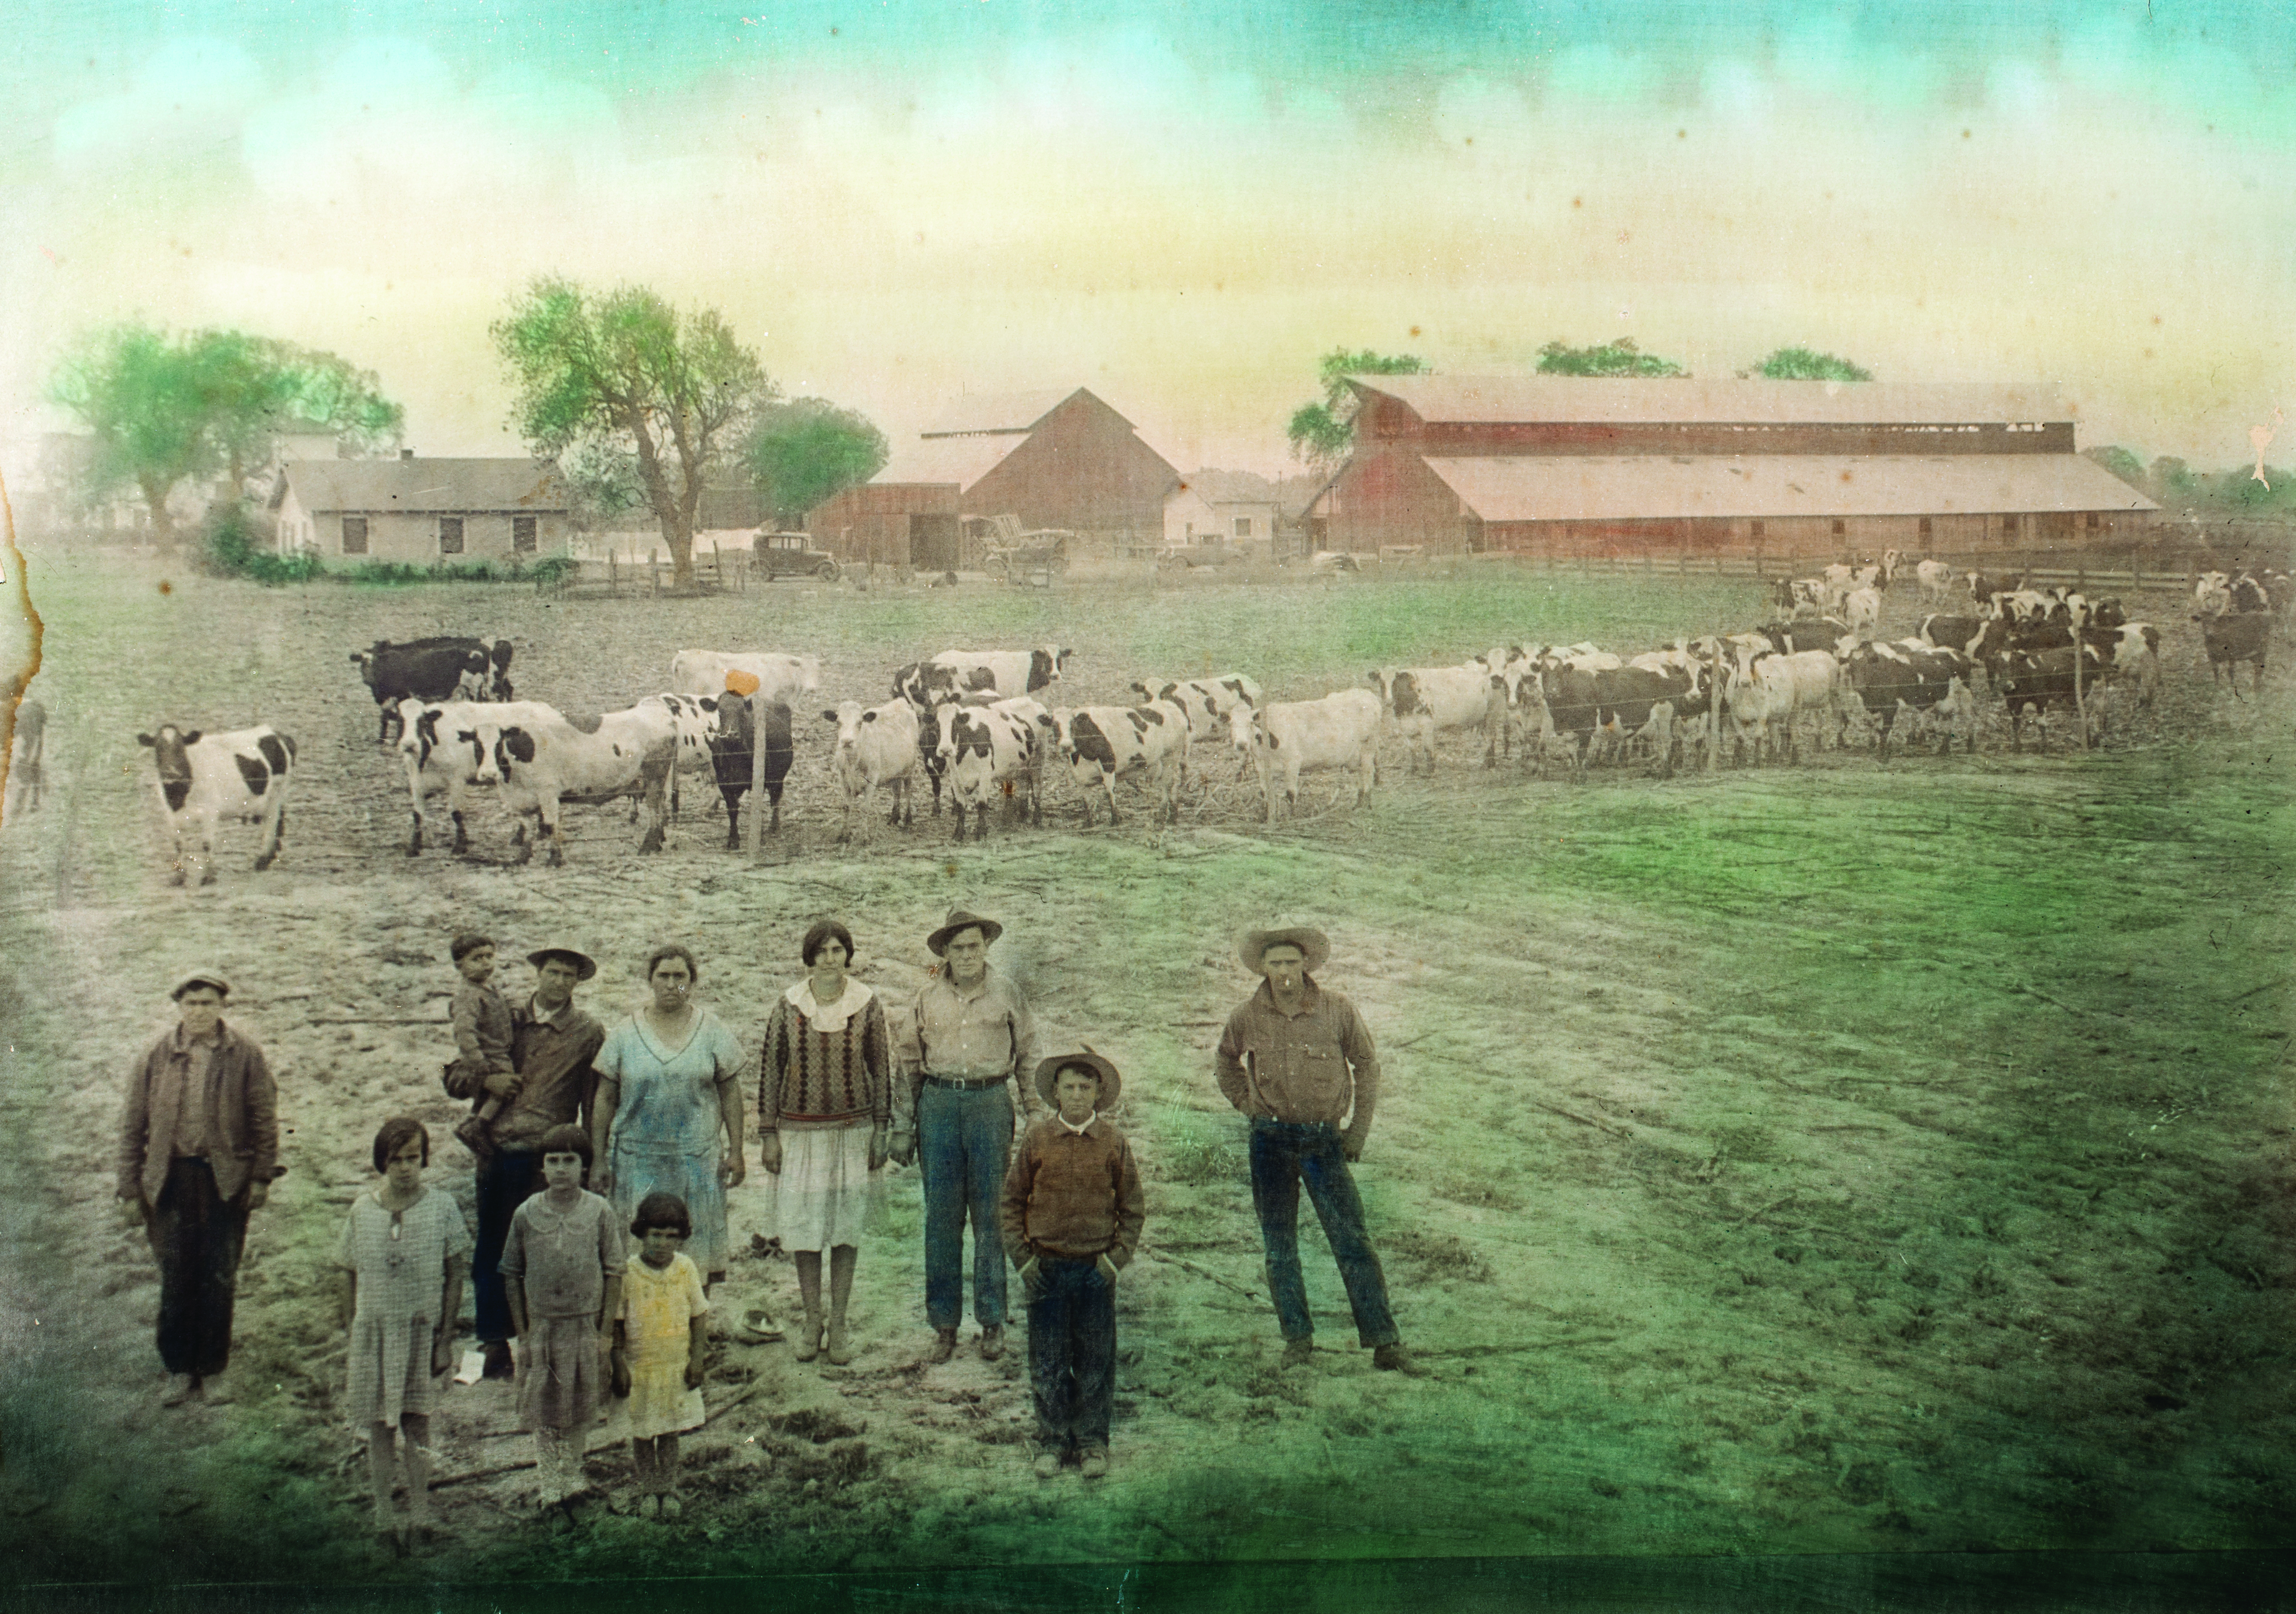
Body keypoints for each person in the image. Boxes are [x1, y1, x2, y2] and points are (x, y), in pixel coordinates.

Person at [1215, 927, 1409, 1373]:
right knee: (1279, 1244)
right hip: (1269, 1143)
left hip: (1324, 1142)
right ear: (1263, 969)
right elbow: (1225, 1061)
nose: (1284, 972)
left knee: (1352, 1239)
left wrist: (1357, 1133)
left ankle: (1385, 1340)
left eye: (1292, 962)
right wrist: (1247, 1104)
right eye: (1275, 964)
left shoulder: (1337, 1009)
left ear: (1306, 966)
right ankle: (1297, 1339)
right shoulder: (1245, 1016)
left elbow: (1367, 1065)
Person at [115, 970, 282, 1407]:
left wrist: (261, 1176)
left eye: (208, 1003)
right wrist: (130, 1190)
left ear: (223, 1006)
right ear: (179, 1008)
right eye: (191, 1004)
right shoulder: (156, 1054)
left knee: (219, 1274)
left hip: (224, 1179)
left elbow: (264, 1119)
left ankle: (212, 1368)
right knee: (177, 1274)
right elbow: (133, 1125)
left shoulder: (244, 1054)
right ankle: (177, 1367)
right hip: (170, 1180)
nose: (199, 1012)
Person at [444, 945, 606, 1380]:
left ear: (578, 983)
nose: (559, 982)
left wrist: (591, 1159)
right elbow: (456, 1076)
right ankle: (493, 1342)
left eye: (569, 976)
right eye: (553, 972)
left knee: (544, 1251)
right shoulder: (505, 1017)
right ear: (538, 974)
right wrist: (485, 1078)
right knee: (492, 1247)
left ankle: (540, 1345)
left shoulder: (588, 1032)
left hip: (546, 1158)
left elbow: (593, 1103)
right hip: (495, 1148)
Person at [889, 908, 1040, 1364]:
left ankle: (992, 1320)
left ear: (986, 947)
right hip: (938, 1105)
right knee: (942, 1219)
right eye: (959, 948)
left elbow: (1029, 1054)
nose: (968, 955)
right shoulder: (926, 997)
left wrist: (1036, 1112)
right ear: (946, 953)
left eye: (975, 945)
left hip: (990, 1104)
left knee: (992, 1214)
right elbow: (909, 1066)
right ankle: (945, 1324)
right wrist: (904, 1127)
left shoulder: (1007, 993)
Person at [999, 1049, 1143, 1480]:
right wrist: (1024, 1261)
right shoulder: (1038, 1140)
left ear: (1099, 1094)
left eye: (1086, 1088)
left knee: (1096, 1358)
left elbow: (1133, 1209)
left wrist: (1114, 1263)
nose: (1077, 1096)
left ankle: (1092, 1442)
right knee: (1048, 1357)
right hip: (1046, 1268)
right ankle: (1052, 1439)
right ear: (1055, 1094)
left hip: (1095, 1271)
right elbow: (1010, 1204)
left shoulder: (1113, 1142)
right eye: (1069, 1088)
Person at [758, 920, 892, 1366]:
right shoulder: (788, 1004)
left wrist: (881, 1128)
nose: (830, 958)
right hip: (800, 1135)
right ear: (810, 957)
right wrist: (769, 1133)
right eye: (822, 951)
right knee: (806, 1229)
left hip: (853, 1135)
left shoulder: (868, 1004)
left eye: (838, 950)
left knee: (845, 1228)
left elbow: (882, 1068)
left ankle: (840, 1321)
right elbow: (771, 1069)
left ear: (847, 955)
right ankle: (812, 1319)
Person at [337, 1118, 469, 1549]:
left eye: (413, 1158)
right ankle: (382, 1515)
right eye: (396, 1159)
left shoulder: (441, 1206)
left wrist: (445, 1337)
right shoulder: (363, 1209)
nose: (406, 1168)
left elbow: (455, 1274)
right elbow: (346, 1269)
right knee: (378, 1425)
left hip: (419, 1332)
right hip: (375, 1333)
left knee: (417, 1422)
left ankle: (420, 1513)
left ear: (424, 1158)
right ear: (382, 1162)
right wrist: (352, 1327)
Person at [589, 945, 746, 1293]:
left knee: (694, 1252)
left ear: (692, 982)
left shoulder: (712, 1029)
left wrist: (736, 1150)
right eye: (664, 975)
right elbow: (605, 1098)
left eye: (680, 976)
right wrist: (599, 1158)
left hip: (697, 1161)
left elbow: (731, 1093)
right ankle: (636, 1330)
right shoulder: (625, 1033)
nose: (672, 983)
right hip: (637, 1162)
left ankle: (693, 1331)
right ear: (650, 980)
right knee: (636, 1252)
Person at [499, 1124, 623, 1513]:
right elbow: (511, 1273)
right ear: (542, 1168)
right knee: (544, 1405)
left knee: (579, 1402)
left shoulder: (600, 1211)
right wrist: (523, 1331)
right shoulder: (526, 1214)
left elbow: (615, 1271)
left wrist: (606, 1331)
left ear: (585, 1166)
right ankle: (548, 1480)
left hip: (584, 1323)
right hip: (543, 1325)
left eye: (570, 1161)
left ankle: (573, 1473)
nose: (561, 1169)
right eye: (553, 1161)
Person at [615, 1191, 709, 1520]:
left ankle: (668, 1487)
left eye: (672, 1236)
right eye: (656, 1234)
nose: (663, 1243)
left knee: (669, 1430)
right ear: (641, 1232)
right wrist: (618, 1364)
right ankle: (647, 1487)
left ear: (682, 1237)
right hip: (640, 1367)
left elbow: (699, 1316)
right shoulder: (627, 1272)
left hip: (674, 1366)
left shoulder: (686, 1268)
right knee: (643, 1432)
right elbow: (617, 1321)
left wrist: (697, 1360)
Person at [445, 934, 517, 1160]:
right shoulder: (467, 996)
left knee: (494, 1093)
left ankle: (478, 1123)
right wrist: (478, 1062)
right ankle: (477, 1125)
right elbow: (464, 1032)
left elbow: (504, 1010)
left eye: (489, 956)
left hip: (499, 1049)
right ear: (460, 966)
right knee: (505, 1085)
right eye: (477, 959)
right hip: (489, 1054)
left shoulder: (489, 989)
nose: (486, 963)